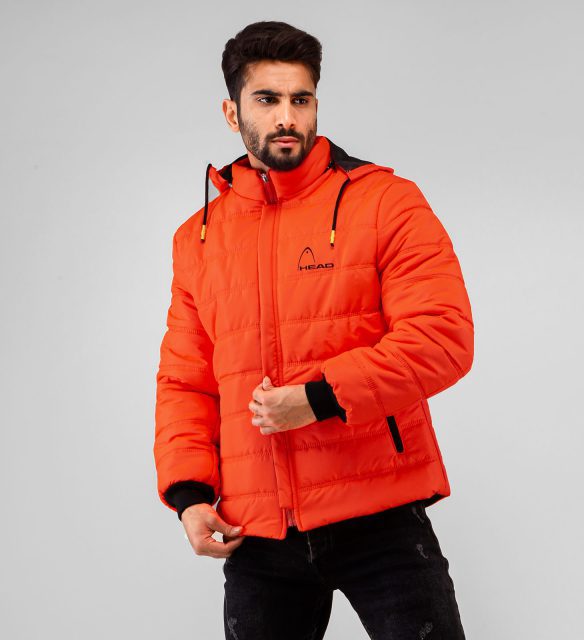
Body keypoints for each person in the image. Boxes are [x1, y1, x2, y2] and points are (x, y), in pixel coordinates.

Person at [153, 20, 474, 639]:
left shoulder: (384, 201)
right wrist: (190, 496)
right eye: (267, 99)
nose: (287, 117)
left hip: (380, 515)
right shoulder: (198, 238)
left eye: (301, 99)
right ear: (232, 112)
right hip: (258, 534)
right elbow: (185, 381)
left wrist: (319, 398)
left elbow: (443, 337)